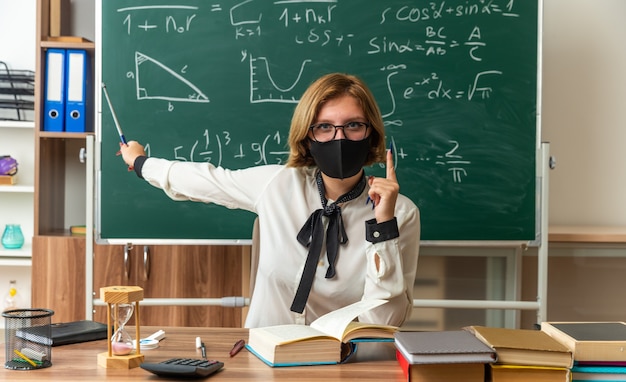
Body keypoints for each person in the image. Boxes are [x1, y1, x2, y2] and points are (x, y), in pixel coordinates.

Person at [119, 73, 420, 328]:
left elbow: (384, 322)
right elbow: (205, 180)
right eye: (325, 127)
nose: (339, 138)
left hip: (347, 365)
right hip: (264, 359)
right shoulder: (278, 184)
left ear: (372, 134)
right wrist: (142, 163)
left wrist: (383, 227)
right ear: (307, 137)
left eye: (353, 125)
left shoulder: (400, 213)